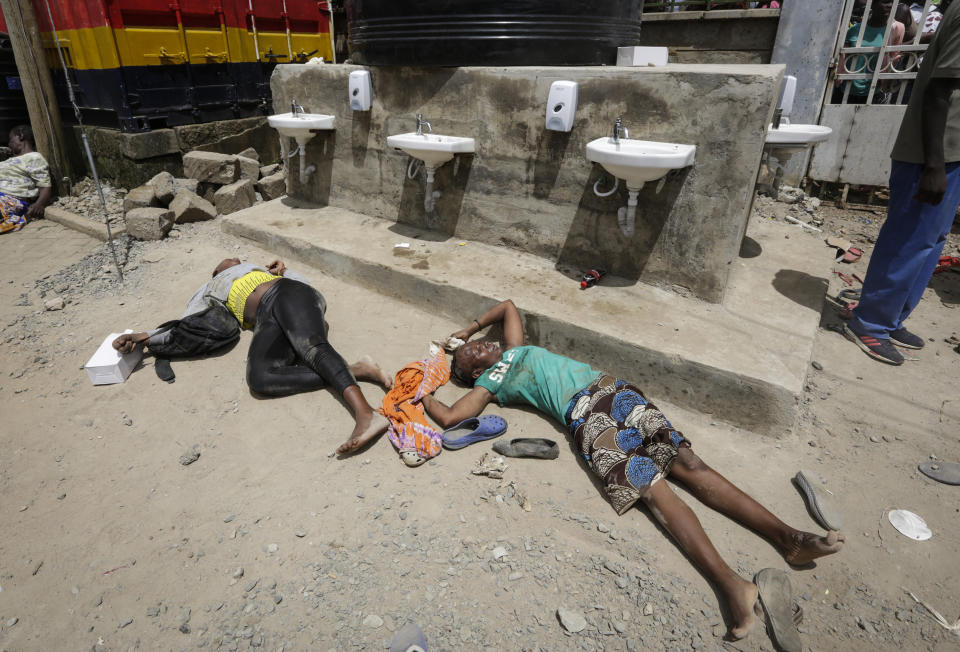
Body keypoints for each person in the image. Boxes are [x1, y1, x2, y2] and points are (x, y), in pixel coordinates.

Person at [421, 300, 844, 639]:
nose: (475, 348)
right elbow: (453, 416)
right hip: (585, 416)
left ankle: (789, 537)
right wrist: (422, 393)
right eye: (469, 357)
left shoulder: (512, 348)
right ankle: (732, 584)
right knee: (653, 489)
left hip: (612, 390)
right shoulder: (490, 381)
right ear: (474, 372)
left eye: (474, 346)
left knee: (687, 461)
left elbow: (508, 307)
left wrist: (467, 329)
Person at [113, 257, 391, 452]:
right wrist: (146, 335)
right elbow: (189, 325)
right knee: (260, 378)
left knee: (311, 348)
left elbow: (308, 291)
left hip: (286, 293)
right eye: (226, 260)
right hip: (265, 319)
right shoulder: (208, 290)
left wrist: (283, 271)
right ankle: (358, 369)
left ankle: (366, 415)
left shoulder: (261, 269)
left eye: (235, 258)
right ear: (216, 272)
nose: (232, 258)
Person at [844, 0, 960, 364]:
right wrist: (934, 164)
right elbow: (939, 91)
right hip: (933, 153)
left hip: (952, 153)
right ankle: (869, 323)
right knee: (909, 239)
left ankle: (890, 317)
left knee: (931, 241)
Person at [0, 125, 52, 233]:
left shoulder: (34, 157)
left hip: (10, 199)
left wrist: (40, 204)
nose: (9, 144)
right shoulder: (8, 161)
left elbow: (45, 186)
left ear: (20, 135)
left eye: (10, 140)